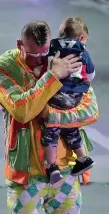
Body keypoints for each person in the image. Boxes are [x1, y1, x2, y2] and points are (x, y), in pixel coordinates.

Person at [0, 20, 98, 214]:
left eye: (44, 53)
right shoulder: (3, 70)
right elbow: (22, 111)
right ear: (19, 45)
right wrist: (52, 76)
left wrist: (50, 114)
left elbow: (90, 111)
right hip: (27, 177)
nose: (40, 59)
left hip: (66, 172)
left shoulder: (64, 58)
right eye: (33, 54)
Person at [41, 17, 96, 184]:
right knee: (70, 127)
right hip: (76, 97)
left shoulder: (53, 45)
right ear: (81, 38)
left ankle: (51, 166)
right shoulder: (82, 49)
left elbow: (45, 67)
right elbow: (91, 74)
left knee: (51, 127)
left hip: (58, 95)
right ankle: (82, 158)